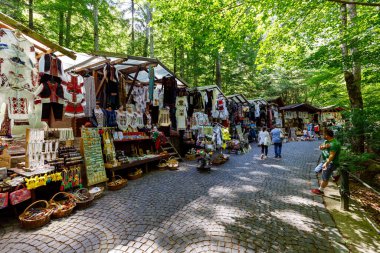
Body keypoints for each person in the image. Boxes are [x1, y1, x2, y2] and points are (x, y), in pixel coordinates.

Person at [311, 128, 341, 195]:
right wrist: (321, 147)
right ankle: (334, 173)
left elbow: (331, 156)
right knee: (317, 170)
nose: (322, 135)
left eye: (323, 134)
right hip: (324, 161)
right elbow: (321, 146)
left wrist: (327, 163)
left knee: (325, 178)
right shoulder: (326, 141)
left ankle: (320, 190)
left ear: (327, 135)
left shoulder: (334, 144)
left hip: (330, 162)